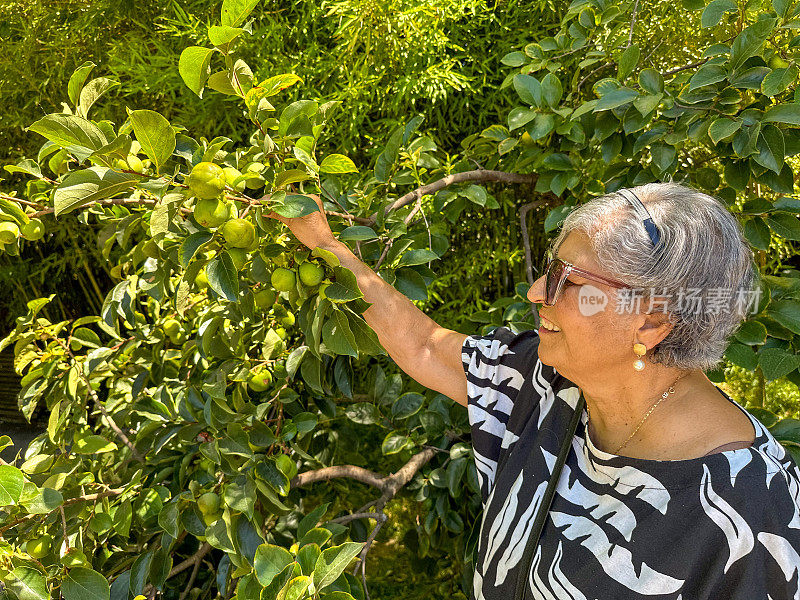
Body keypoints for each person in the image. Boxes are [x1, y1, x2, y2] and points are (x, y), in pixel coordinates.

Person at [272, 182, 800, 599]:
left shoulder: (752, 512)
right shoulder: (547, 381)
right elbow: (425, 347)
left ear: (651, 323)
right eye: (550, 268)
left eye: (567, 279)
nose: (535, 291)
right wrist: (323, 244)